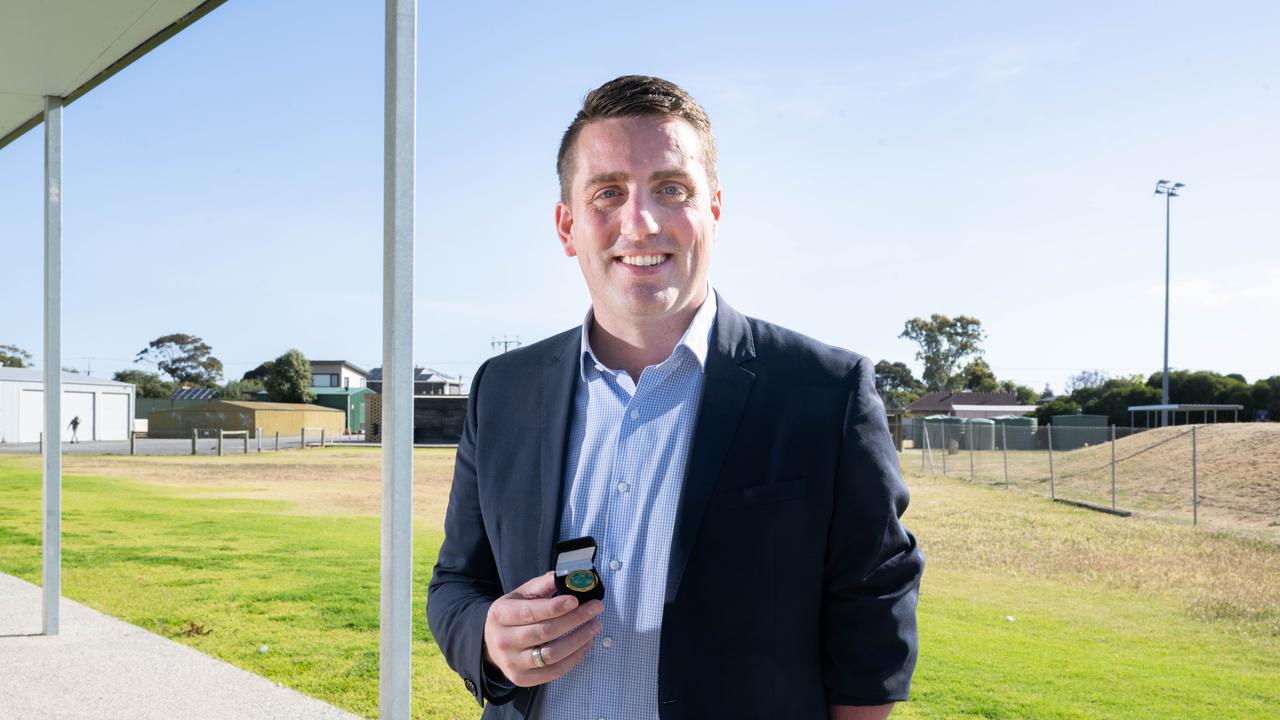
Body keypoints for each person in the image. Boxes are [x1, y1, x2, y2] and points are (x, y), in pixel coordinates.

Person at [428, 75, 923, 720]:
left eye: (672, 189)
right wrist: (489, 639)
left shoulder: (825, 392)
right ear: (567, 225)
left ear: (713, 209)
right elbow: (457, 584)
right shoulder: (504, 390)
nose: (641, 221)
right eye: (608, 193)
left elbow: (875, 598)